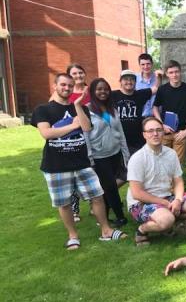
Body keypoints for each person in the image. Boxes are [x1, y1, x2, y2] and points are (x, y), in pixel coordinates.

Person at [31, 73, 126, 250]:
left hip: (82, 163)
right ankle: (73, 236)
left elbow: (87, 127)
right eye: (63, 85)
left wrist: (76, 105)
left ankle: (106, 231)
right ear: (55, 86)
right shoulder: (43, 109)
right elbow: (47, 133)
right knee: (64, 203)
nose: (66, 88)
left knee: (97, 196)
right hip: (56, 165)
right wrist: (73, 125)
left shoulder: (81, 108)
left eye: (70, 85)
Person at [127, 117, 186, 245]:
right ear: (144, 135)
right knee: (167, 220)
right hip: (141, 203)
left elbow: (178, 182)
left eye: (159, 130)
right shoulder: (137, 159)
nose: (155, 134)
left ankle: (166, 220)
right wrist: (163, 202)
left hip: (167, 197)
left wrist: (177, 200)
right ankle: (142, 230)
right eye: (150, 131)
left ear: (163, 132)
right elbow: (137, 193)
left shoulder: (171, 154)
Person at [86, 78, 130, 227]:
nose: (103, 92)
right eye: (99, 89)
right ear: (92, 91)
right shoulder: (87, 110)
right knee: (110, 187)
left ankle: (101, 212)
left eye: (105, 89)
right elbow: (86, 136)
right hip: (99, 157)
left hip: (115, 153)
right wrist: (90, 157)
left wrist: (125, 154)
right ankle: (120, 217)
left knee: (108, 187)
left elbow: (121, 132)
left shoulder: (112, 109)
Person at [152, 60, 186, 162]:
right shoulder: (162, 89)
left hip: (181, 134)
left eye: (176, 71)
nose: (174, 75)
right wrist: (161, 125)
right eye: (171, 72)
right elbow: (155, 108)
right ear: (166, 74)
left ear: (180, 72)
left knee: (177, 165)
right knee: (162, 163)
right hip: (164, 133)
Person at [112, 69, 159, 156]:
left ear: (135, 82)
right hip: (118, 141)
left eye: (132, 79)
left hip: (137, 141)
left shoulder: (140, 94)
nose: (129, 82)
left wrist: (158, 76)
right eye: (125, 79)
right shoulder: (113, 95)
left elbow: (155, 88)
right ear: (120, 81)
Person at [66, 63, 90, 221]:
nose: (78, 76)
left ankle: (95, 204)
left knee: (91, 171)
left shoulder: (91, 90)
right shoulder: (66, 93)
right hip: (73, 135)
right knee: (73, 174)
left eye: (80, 73)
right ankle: (74, 209)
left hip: (92, 134)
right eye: (74, 74)